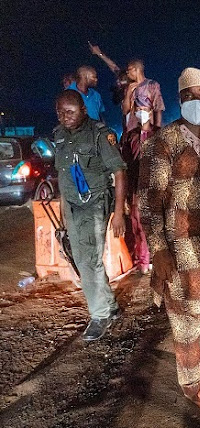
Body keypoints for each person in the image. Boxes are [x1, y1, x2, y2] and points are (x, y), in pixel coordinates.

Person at [137, 67, 200, 412]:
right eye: (191, 96)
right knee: (185, 317)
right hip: (180, 248)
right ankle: (192, 381)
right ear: (179, 99)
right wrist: (159, 251)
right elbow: (149, 203)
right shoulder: (163, 143)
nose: (199, 101)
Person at [53, 90, 127, 341]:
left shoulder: (99, 134)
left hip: (95, 203)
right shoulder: (59, 136)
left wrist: (119, 212)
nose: (65, 117)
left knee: (89, 260)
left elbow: (119, 172)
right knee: (81, 257)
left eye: (70, 111)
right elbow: (63, 176)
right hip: (72, 205)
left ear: (83, 111)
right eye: (61, 112)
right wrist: (63, 212)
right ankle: (110, 306)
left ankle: (100, 315)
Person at [120, 95, 159, 273]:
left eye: (145, 110)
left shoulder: (160, 134)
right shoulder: (130, 136)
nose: (141, 113)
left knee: (148, 227)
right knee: (136, 225)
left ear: (151, 112)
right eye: (139, 110)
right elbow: (125, 164)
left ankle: (146, 261)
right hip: (136, 188)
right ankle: (140, 259)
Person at [122, 59, 165, 132]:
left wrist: (157, 128)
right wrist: (128, 93)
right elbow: (125, 111)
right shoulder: (129, 88)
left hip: (149, 128)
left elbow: (158, 107)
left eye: (129, 69)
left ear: (136, 69)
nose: (127, 73)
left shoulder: (152, 85)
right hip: (133, 130)